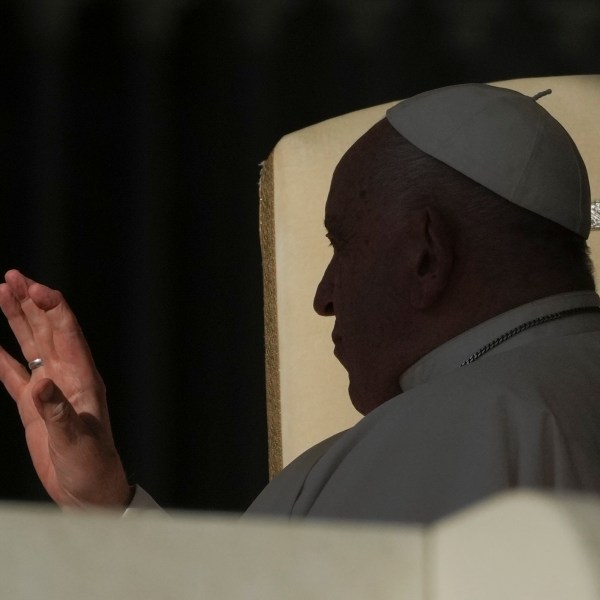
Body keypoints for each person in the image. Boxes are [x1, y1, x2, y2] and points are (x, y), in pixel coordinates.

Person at [1, 83, 600, 522]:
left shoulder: (450, 428)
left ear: (426, 255)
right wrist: (107, 504)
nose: (322, 296)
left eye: (342, 245)